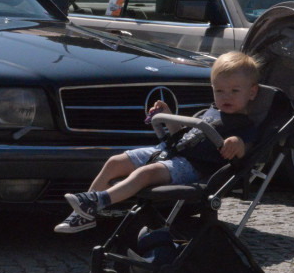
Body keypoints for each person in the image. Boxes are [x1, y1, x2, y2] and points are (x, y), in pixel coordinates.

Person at [55, 50, 262, 233]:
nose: (226, 96)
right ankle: (83, 214)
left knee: (144, 174)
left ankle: (98, 200)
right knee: (115, 162)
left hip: (193, 168)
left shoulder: (244, 125)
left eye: (235, 91)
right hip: (170, 152)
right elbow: (182, 138)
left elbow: (247, 150)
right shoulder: (211, 112)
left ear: (252, 92)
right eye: (219, 91)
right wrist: (168, 115)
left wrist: (237, 143)